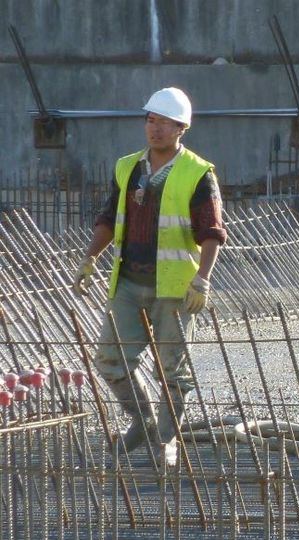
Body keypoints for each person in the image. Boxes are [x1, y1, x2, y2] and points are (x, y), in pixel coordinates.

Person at [73, 87, 227, 465]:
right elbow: (109, 219)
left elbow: (212, 231)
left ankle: (165, 439)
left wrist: (202, 279)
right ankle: (142, 419)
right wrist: (90, 258)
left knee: (173, 370)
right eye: (150, 120)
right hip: (128, 282)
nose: (154, 129)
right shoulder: (127, 167)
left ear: (181, 128)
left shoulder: (197, 172)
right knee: (111, 359)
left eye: (164, 123)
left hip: (174, 287)